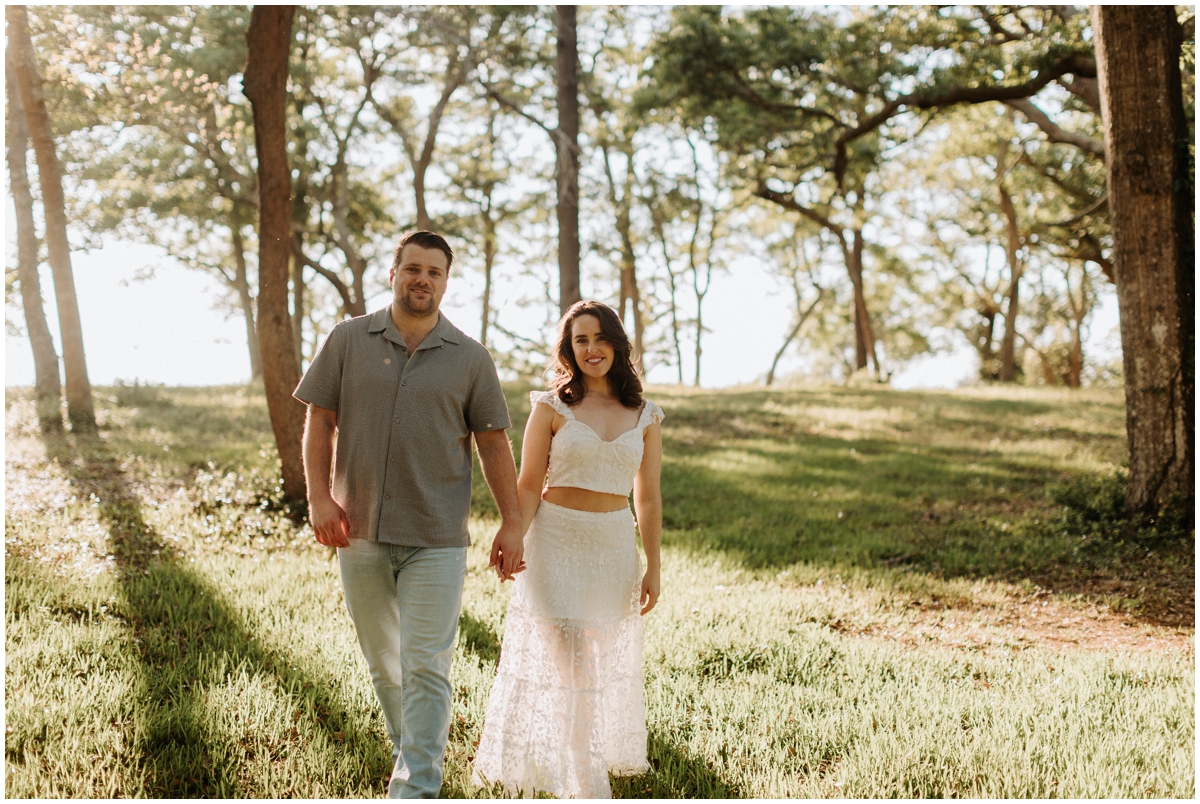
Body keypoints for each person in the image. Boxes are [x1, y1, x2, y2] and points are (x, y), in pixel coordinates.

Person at [294, 230, 526, 799]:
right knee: (385, 664)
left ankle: (417, 786)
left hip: (436, 537)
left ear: (446, 282)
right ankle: (415, 754)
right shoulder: (347, 339)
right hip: (359, 531)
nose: (422, 279)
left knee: (425, 665)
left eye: (434, 272)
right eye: (412, 268)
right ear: (393, 272)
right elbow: (319, 421)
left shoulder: (470, 358)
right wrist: (320, 497)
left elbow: (494, 443)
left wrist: (513, 521)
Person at [472, 300, 664, 799]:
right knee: (573, 665)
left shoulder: (644, 414)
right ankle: (583, 778)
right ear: (568, 347)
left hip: (613, 549)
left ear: (617, 344)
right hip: (554, 544)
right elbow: (530, 481)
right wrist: (513, 532)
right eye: (580, 340)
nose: (591, 349)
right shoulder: (551, 406)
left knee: (592, 667)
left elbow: (647, 496)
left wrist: (654, 567)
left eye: (600, 338)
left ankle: (567, 752)